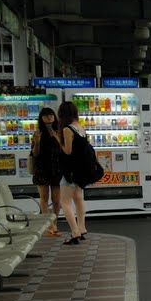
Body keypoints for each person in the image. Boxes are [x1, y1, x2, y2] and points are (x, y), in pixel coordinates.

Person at [57, 100, 88, 245]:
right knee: (78, 198)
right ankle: (82, 228)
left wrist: (58, 140)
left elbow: (67, 151)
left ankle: (75, 232)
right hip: (82, 168)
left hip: (71, 170)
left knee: (65, 202)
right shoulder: (80, 127)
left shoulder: (67, 129)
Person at [31, 106, 63, 237]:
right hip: (42, 168)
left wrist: (58, 137)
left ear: (54, 117)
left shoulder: (59, 131)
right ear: (41, 118)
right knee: (44, 198)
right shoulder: (38, 132)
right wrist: (37, 142)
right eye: (45, 115)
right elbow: (34, 153)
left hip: (57, 168)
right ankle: (49, 225)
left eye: (51, 115)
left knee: (57, 199)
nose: (48, 117)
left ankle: (54, 222)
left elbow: (65, 149)